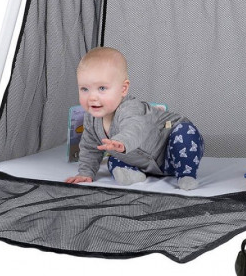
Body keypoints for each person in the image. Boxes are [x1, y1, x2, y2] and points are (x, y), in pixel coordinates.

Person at [65, 47, 204, 190]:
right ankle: (133, 175)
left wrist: (121, 141)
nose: (92, 97)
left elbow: (135, 129)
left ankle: (186, 175)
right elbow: (90, 147)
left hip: (172, 150)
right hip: (142, 162)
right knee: (113, 159)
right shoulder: (91, 118)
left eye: (102, 88)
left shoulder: (130, 108)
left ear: (123, 89)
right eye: (84, 89)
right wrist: (86, 172)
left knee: (185, 132)